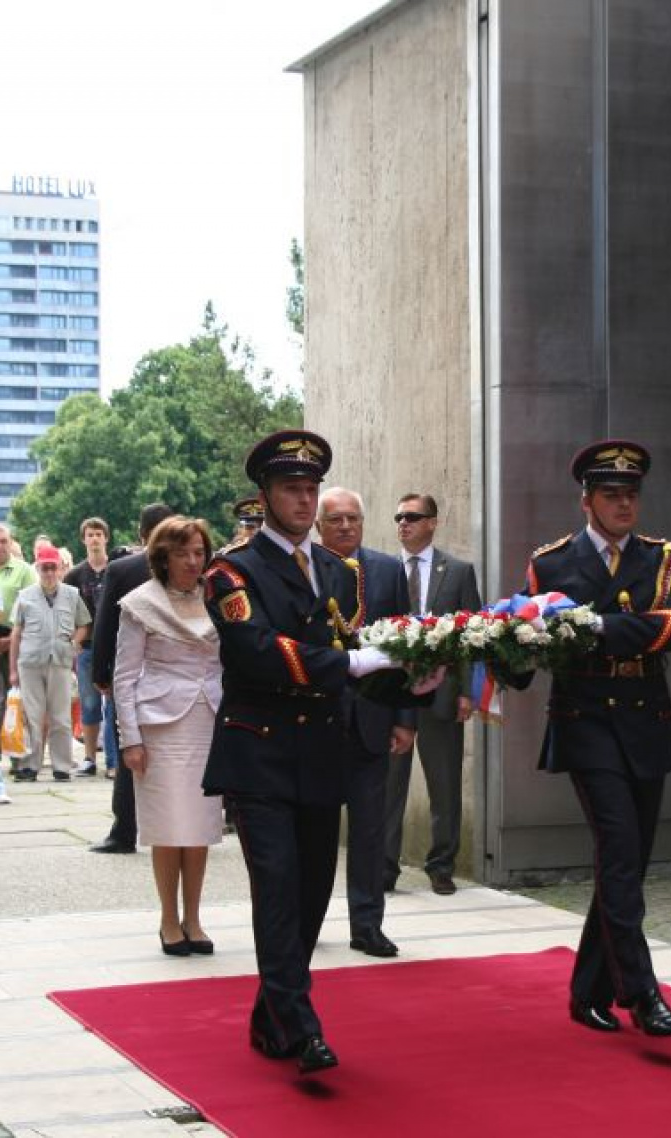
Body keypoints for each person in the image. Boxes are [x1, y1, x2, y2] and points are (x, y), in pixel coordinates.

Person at [202, 428, 404, 1076]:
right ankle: (302, 1024)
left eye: (311, 489)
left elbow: (358, 652)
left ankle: (272, 1018)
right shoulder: (232, 570)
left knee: (314, 892)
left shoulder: (337, 571)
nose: (304, 500)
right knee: (279, 888)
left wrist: (409, 679)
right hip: (258, 753)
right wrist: (349, 665)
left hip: (320, 751)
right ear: (264, 496)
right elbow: (257, 650)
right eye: (292, 488)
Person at [515, 439, 671, 1038]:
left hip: (647, 719)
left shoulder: (660, 556)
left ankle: (587, 989)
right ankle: (642, 994)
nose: (624, 505)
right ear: (586, 500)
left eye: (631, 495)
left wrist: (594, 627)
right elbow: (530, 638)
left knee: (629, 862)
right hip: (587, 720)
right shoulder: (552, 564)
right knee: (618, 848)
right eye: (612, 495)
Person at [113, 516, 223, 956]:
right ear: (162, 557)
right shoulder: (140, 603)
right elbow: (124, 677)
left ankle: (194, 918)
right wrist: (130, 739)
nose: (193, 561)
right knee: (167, 826)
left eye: (199, 552)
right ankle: (168, 919)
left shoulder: (220, 598)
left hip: (209, 722)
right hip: (159, 726)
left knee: (199, 827)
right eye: (182, 553)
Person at [316, 486, 415, 958]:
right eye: (335, 519)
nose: (345, 526)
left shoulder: (388, 570)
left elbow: (407, 647)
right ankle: (308, 920)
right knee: (315, 831)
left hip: (374, 718)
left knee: (370, 831)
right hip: (317, 721)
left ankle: (368, 924)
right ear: (319, 526)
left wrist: (405, 718)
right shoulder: (305, 567)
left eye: (352, 518)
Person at [384, 492, 481, 895]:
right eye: (399, 517)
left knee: (444, 784)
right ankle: (384, 867)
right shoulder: (384, 570)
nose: (403, 523)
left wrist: (468, 692)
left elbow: (472, 637)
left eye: (412, 516)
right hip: (393, 695)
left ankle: (441, 866)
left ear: (432, 522)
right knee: (389, 784)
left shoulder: (458, 572)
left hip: (442, 693)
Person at [89, 504, 175, 854]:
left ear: (141, 534)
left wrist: (100, 671)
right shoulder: (194, 563)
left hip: (133, 673)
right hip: (181, 674)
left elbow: (105, 625)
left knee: (129, 746)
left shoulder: (122, 569)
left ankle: (124, 830)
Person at [9, 545, 91, 782]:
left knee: (61, 717)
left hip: (60, 661)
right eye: (44, 568)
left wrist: (74, 643)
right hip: (30, 663)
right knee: (32, 716)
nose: (49, 573)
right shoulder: (25, 596)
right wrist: (13, 669)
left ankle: (61, 767)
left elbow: (84, 624)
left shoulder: (72, 595)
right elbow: (16, 633)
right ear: (37, 568)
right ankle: (29, 766)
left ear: (60, 569)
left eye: (53, 568)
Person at [64, 517, 118, 778]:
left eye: (98, 534)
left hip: (115, 644)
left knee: (114, 704)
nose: (94, 539)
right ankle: (89, 758)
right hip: (87, 646)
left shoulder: (116, 570)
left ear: (106, 538)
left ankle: (113, 761)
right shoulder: (75, 575)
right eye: (90, 534)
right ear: (83, 539)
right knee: (89, 703)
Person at [0, 523, 36, 779]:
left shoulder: (23, 571)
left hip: (14, 640)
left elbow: (32, 610)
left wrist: (10, 640)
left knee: (16, 701)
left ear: (11, 543)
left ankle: (17, 756)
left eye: (4, 541)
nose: (0, 546)